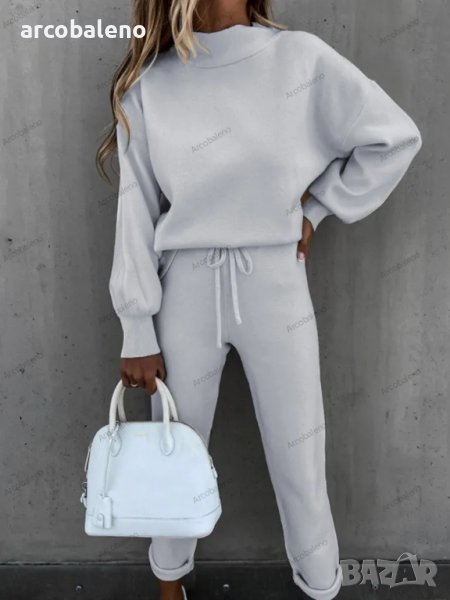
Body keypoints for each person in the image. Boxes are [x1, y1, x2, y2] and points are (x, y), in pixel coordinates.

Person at [96, 1, 422, 598]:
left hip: (275, 279)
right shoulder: (151, 85)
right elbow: (134, 210)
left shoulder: (300, 59)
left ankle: (321, 586)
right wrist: (136, 328)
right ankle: (170, 585)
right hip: (185, 288)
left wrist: (317, 208)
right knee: (173, 449)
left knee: (301, 455)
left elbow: (393, 138)